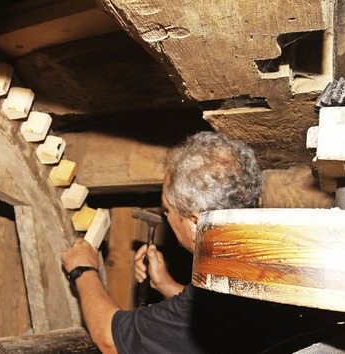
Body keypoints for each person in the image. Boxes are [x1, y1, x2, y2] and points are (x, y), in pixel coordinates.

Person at [61, 131, 328, 353]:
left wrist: (83, 269)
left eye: (167, 209)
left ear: (194, 221)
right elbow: (226, 320)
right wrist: (166, 285)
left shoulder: (219, 287)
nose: (165, 216)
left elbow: (110, 339)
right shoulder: (265, 258)